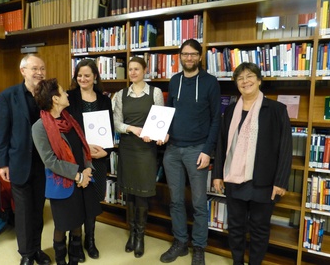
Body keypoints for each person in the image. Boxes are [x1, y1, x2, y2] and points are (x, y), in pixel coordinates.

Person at [212, 62, 292, 265]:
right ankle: (237, 262)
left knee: (259, 228)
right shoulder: (230, 111)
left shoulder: (276, 109)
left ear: (259, 80)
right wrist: (217, 175)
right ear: (236, 83)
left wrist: (280, 181)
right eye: (240, 78)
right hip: (234, 179)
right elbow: (222, 144)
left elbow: (285, 148)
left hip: (263, 181)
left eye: (249, 77)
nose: (245, 81)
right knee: (236, 227)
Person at [160, 39, 221, 265]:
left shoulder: (210, 82)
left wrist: (208, 151)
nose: (189, 58)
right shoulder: (174, 81)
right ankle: (180, 242)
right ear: (180, 56)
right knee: (175, 200)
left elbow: (216, 119)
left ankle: (199, 247)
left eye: (193, 54)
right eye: (185, 54)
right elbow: (168, 112)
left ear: (200, 56)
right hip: (173, 149)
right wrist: (163, 131)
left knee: (198, 202)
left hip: (197, 150)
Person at [32, 78, 102, 265]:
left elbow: (82, 146)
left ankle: (75, 258)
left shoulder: (69, 118)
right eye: (63, 92)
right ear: (55, 99)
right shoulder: (39, 128)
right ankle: (61, 259)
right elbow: (50, 161)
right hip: (64, 182)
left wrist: (87, 170)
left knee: (78, 221)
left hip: (83, 179)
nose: (67, 94)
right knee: (63, 225)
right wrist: (77, 175)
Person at [0, 54, 51, 265]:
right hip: (19, 162)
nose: (39, 72)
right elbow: (3, 131)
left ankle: (37, 249)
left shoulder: (47, 95)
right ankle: (26, 254)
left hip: (43, 163)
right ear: (23, 71)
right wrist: (3, 163)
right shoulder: (8, 96)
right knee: (24, 212)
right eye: (35, 68)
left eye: (42, 68)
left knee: (38, 210)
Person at [113, 56, 165, 258]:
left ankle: (141, 235)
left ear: (145, 70)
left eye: (137, 69)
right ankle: (132, 233)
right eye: (130, 69)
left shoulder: (155, 92)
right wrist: (132, 129)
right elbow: (117, 123)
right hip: (128, 147)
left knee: (142, 193)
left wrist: (159, 135)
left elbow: (160, 120)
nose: (133, 72)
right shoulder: (120, 94)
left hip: (146, 149)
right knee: (130, 193)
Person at [66, 59, 114, 261]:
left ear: (95, 76)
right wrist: (82, 150)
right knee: (76, 201)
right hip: (77, 158)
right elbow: (66, 129)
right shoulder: (69, 97)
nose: (83, 79)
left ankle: (90, 240)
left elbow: (109, 130)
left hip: (98, 159)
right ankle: (74, 243)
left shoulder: (105, 100)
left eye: (87, 75)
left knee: (93, 200)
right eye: (79, 75)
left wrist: (107, 151)